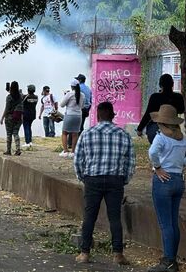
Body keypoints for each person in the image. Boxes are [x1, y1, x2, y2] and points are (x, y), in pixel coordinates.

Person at [73, 101, 135, 265]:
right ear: (113, 115)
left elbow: (78, 159)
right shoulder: (123, 134)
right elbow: (130, 162)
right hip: (115, 180)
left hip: (92, 179)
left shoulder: (87, 134)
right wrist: (124, 179)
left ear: (98, 116)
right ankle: (118, 254)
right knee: (115, 218)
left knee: (89, 217)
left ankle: (85, 253)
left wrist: (82, 177)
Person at [147, 105, 186, 272]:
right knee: (173, 222)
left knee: (165, 224)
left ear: (162, 123)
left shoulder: (161, 138)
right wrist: (183, 163)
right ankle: (172, 259)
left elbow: (152, 153)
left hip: (163, 180)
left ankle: (168, 261)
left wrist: (158, 167)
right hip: (178, 180)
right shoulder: (182, 139)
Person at [137, 74, 185, 144]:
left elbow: (148, 115)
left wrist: (139, 129)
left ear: (160, 85)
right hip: (172, 127)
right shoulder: (178, 97)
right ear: (172, 84)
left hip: (155, 128)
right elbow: (181, 110)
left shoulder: (155, 97)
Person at [60, 79, 85, 158]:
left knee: (64, 133)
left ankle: (65, 151)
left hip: (69, 115)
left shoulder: (69, 94)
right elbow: (82, 106)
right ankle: (73, 152)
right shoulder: (82, 95)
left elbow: (62, 105)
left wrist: (65, 95)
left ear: (71, 86)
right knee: (75, 134)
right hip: (78, 116)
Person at [0, 81, 24, 156]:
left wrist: (2, 117)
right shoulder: (21, 96)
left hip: (9, 117)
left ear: (11, 87)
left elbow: (7, 108)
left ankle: (8, 150)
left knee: (9, 134)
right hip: (18, 117)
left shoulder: (9, 97)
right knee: (16, 133)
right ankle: (18, 149)